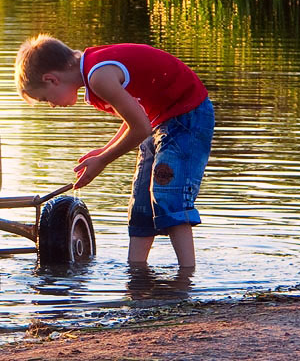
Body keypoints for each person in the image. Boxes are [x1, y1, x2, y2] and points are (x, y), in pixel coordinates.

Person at [14, 34, 214, 268]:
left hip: (186, 116)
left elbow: (140, 128)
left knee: (169, 195)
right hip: (160, 119)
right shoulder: (92, 75)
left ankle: (186, 277)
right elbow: (136, 115)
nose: (51, 104)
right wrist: (104, 151)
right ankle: (136, 271)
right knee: (141, 203)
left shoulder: (99, 76)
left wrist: (103, 161)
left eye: (45, 98)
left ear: (52, 79)